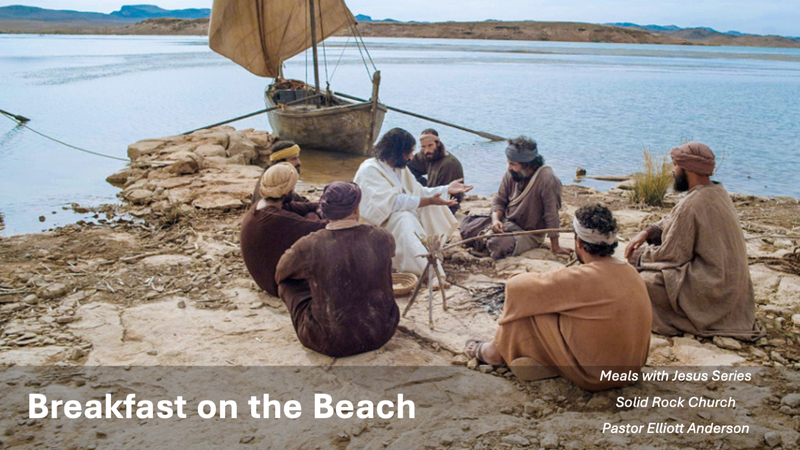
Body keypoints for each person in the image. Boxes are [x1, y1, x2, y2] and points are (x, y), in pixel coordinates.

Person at [464, 205, 652, 391]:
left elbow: (516, 288)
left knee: (527, 306)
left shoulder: (583, 277)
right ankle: (545, 362)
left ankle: (492, 352)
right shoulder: (630, 271)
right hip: (631, 370)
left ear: (578, 242)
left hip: (596, 376)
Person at [625, 142, 765, 341]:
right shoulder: (716, 191)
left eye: (675, 166)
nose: (673, 171)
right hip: (730, 284)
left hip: (713, 287)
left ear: (687, 169)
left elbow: (672, 255)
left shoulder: (692, 204)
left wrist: (637, 258)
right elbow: (672, 221)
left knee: (642, 281)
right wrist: (648, 232)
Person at [276, 181, 400, 357]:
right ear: (356, 209)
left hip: (330, 341)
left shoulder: (308, 245)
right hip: (382, 331)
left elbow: (281, 274)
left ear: (325, 212)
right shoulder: (383, 236)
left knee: (286, 284)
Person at [353, 128, 473, 278]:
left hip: (397, 214)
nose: (411, 156)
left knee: (430, 208)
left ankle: (431, 252)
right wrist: (428, 201)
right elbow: (392, 203)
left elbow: (417, 191)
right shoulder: (369, 169)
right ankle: (430, 272)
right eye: (408, 152)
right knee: (406, 219)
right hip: (378, 222)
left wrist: (447, 188)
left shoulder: (399, 168)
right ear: (395, 151)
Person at [460, 136, 569, 259]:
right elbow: (500, 200)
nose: (509, 168)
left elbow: (551, 214)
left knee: (497, 244)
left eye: (513, 164)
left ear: (527, 165)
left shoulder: (547, 179)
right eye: (509, 163)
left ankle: (487, 243)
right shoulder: (512, 173)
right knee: (466, 225)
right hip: (506, 222)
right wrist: (496, 220)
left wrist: (556, 246)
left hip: (527, 232)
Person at [240, 162, 326, 297]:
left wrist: (320, 206)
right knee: (317, 224)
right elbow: (324, 227)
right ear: (287, 191)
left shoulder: (262, 206)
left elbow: (304, 206)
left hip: (264, 278)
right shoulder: (279, 219)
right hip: (276, 285)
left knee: (311, 214)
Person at [407, 129, 465, 213]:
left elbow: (443, 195)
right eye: (423, 146)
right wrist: (420, 184)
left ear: (438, 144)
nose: (427, 150)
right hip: (431, 196)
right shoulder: (427, 155)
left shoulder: (449, 164)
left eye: (430, 145)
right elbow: (408, 167)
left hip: (446, 206)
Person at [251, 140, 307, 205]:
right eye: (293, 159)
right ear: (281, 162)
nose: (299, 163)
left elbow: (294, 198)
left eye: (298, 158)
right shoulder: (271, 182)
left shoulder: (277, 178)